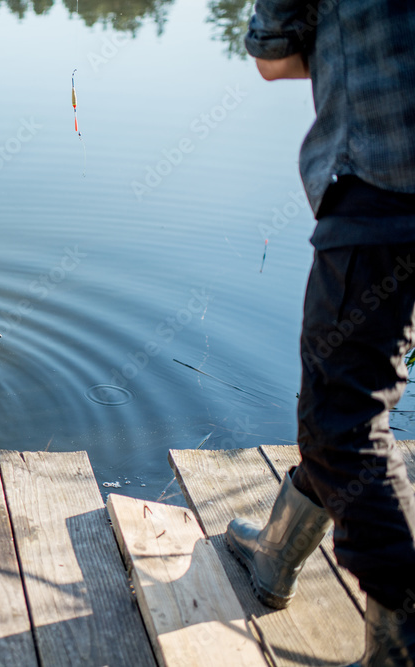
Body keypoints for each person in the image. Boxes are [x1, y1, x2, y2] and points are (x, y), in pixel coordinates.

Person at [223, 2, 415, 666]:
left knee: (343, 424)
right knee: (364, 395)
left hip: (384, 189)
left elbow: (273, 57)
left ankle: (404, 644)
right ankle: (276, 553)